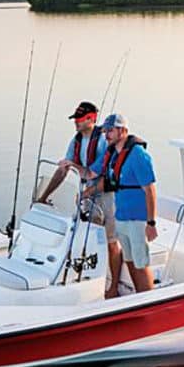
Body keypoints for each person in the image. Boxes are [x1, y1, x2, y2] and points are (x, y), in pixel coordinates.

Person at [36, 102, 119, 272]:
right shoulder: (77, 139)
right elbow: (65, 169)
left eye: (79, 119)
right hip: (87, 196)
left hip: (107, 196)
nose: (76, 122)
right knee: (87, 236)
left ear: (91, 119)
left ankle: (113, 284)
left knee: (110, 241)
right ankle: (92, 274)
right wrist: (43, 197)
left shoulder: (104, 140)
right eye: (75, 119)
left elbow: (97, 173)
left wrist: (73, 165)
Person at [88, 113, 157, 295]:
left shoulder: (138, 155)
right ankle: (138, 298)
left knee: (141, 263)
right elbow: (105, 180)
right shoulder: (114, 155)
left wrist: (151, 223)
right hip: (121, 217)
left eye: (111, 130)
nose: (107, 135)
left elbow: (150, 191)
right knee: (130, 260)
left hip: (137, 219)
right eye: (105, 131)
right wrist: (86, 192)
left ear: (123, 131)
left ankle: (149, 299)